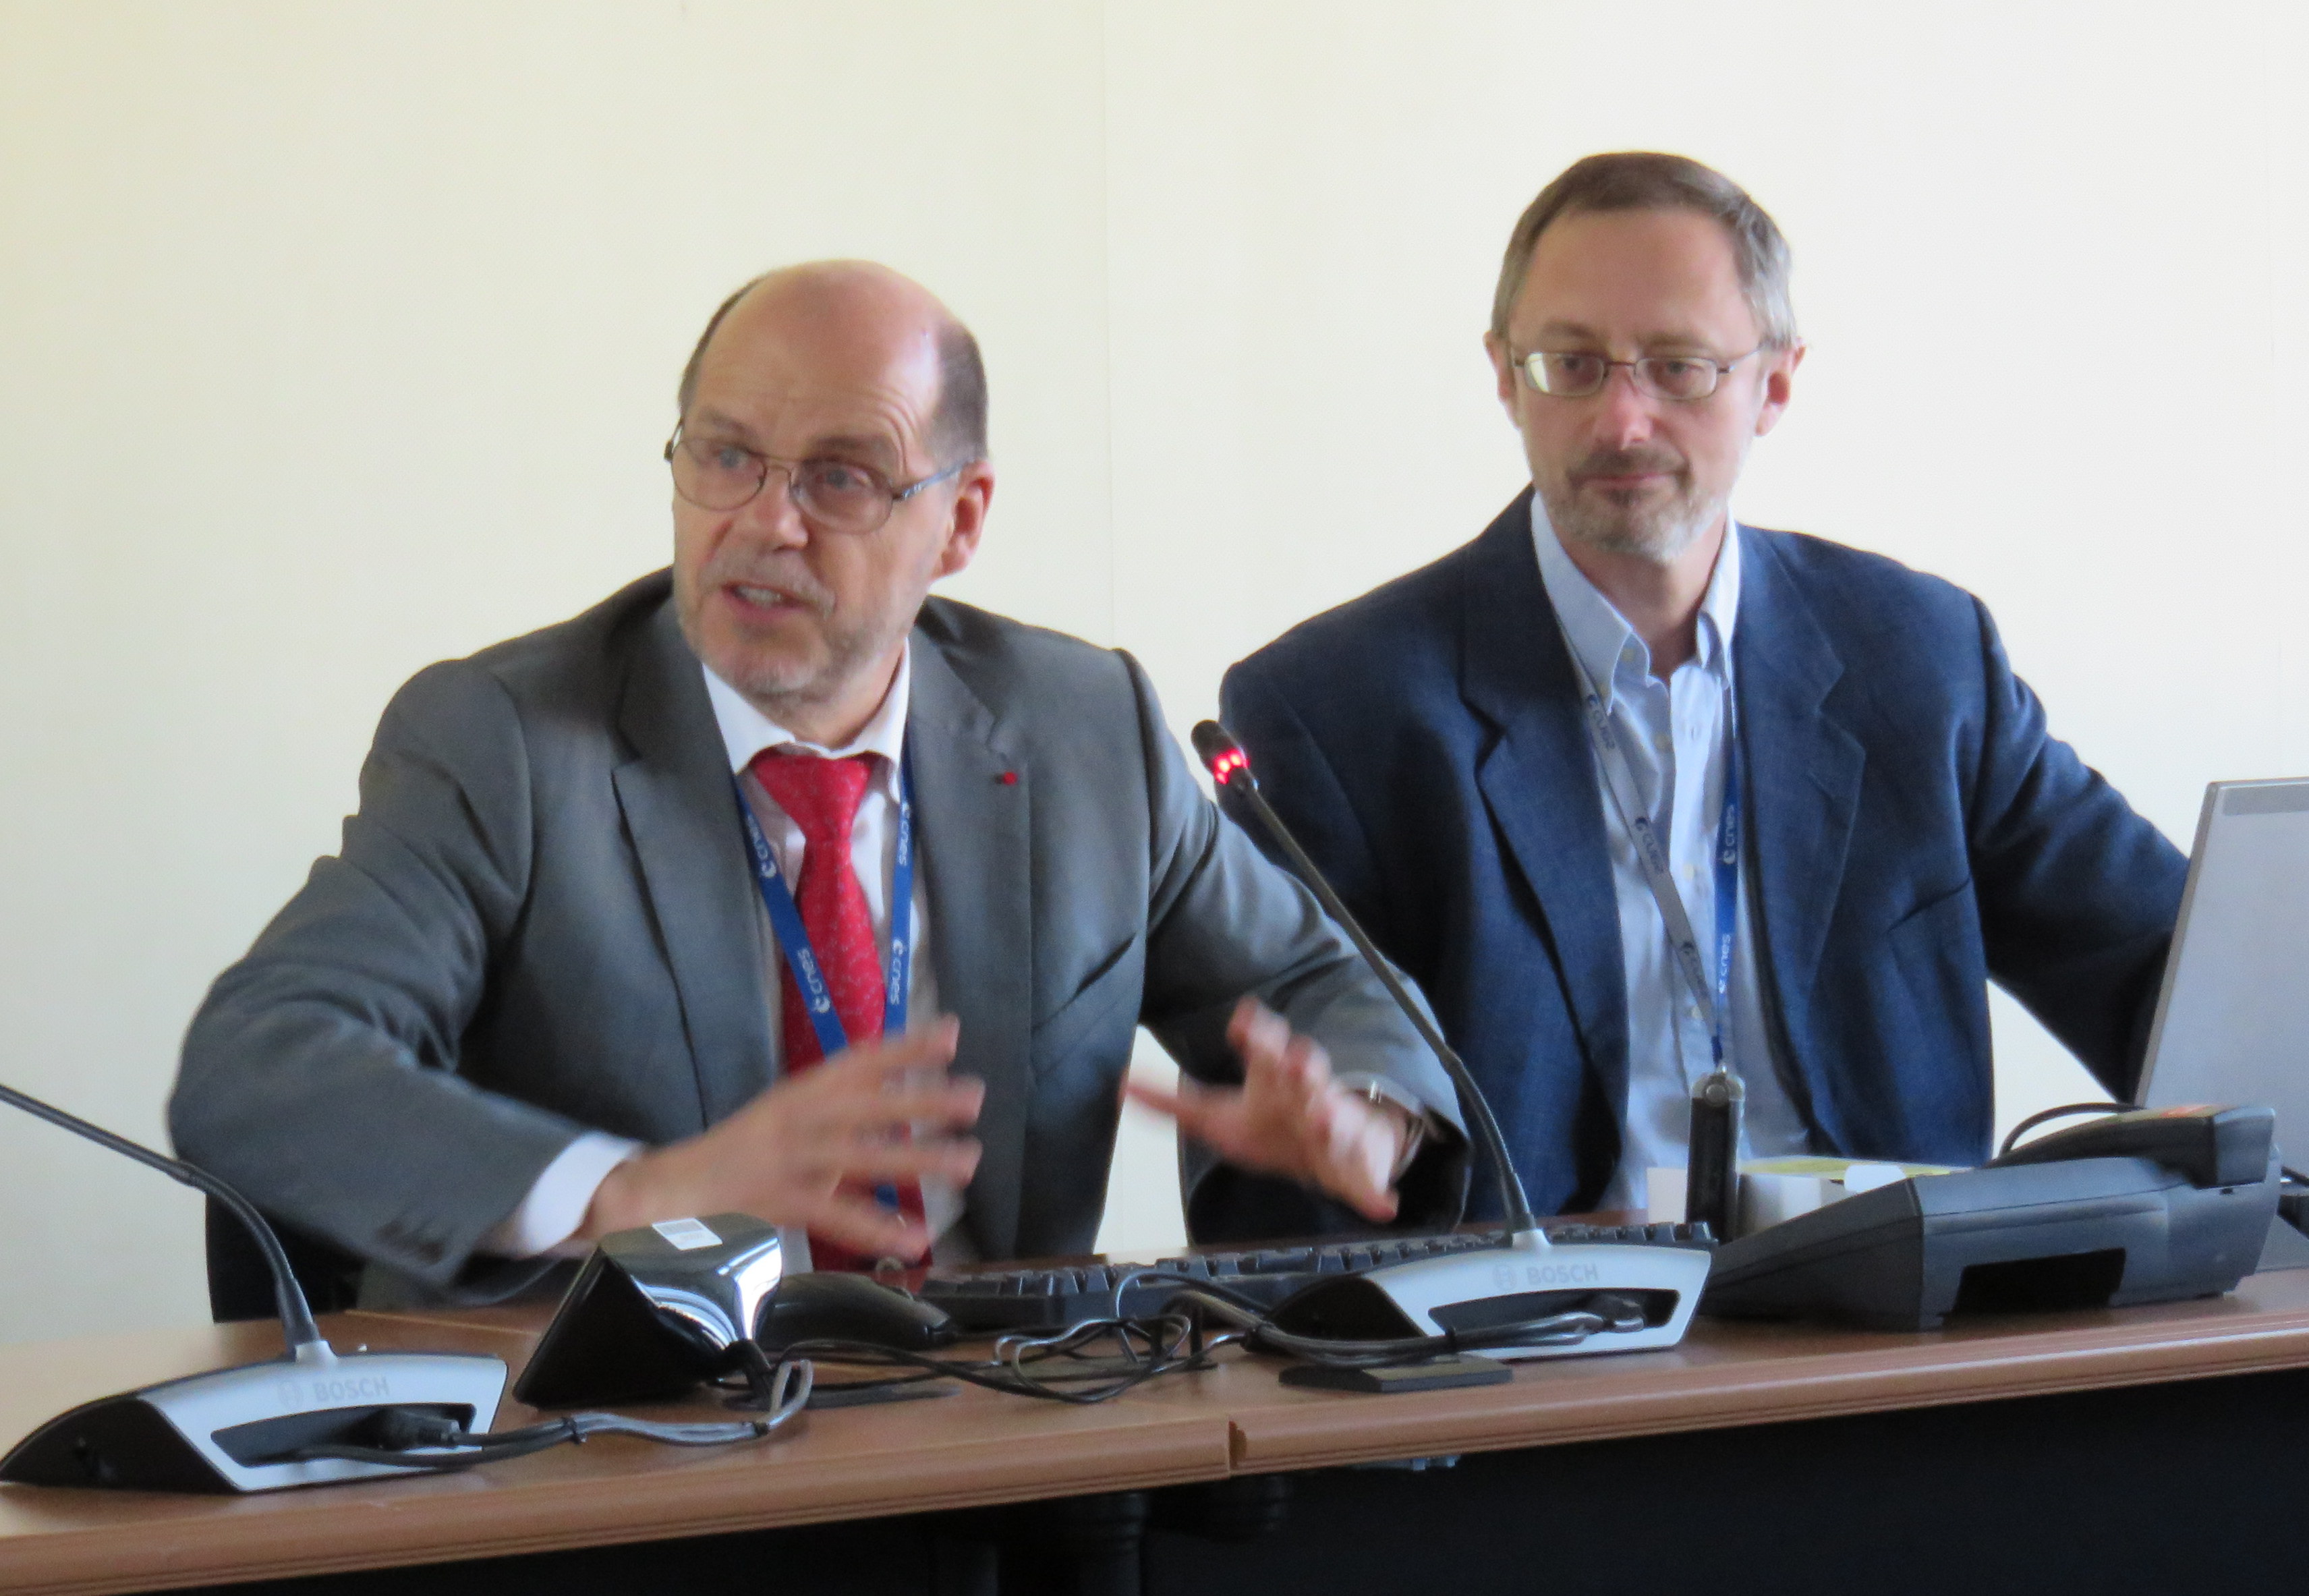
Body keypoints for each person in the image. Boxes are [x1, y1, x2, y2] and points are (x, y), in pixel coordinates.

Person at [172, 262, 1465, 1301]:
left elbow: (1318, 977)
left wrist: (1365, 1115)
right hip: (634, 1469)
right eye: (724, 456)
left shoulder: (1085, 734)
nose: (765, 521)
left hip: (1003, 1453)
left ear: (960, 520)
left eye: (842, 477)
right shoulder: (508, 744)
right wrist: (639, 1190)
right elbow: (261, 1065)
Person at [1220, 153, 2188, 1218]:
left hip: (1901, 1331)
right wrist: (1367, 1128)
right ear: (1504, 374)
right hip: (1547, 1347)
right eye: (1572, 365)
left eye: (1678, 367)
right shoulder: (1335, 711)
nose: (1623, 422)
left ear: (1775, 382)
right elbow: (1291, 1136)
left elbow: (2172, 978)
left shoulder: (1920, 658)